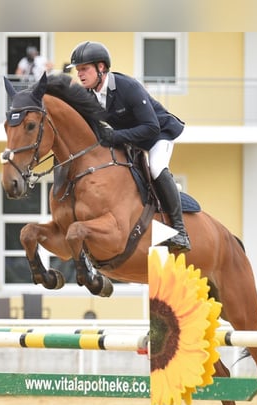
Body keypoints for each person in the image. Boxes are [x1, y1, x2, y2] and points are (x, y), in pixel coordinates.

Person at [67, 41, 190, 252]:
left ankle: (181, 232)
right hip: (130, 140)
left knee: (156, 168)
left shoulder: (128, 87)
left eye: (84, 69)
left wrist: (115, 136)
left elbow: (151, 127)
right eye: (78, 71)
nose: (80, 74)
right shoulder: (89, 95)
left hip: (159, 134)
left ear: (101, 67)